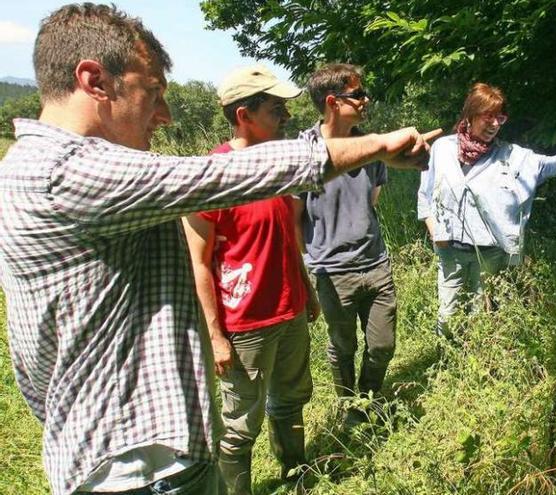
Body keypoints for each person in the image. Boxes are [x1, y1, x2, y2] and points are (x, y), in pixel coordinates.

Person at [0, 4, 437, 494]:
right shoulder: (62, 172)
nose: (163, 115)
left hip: (144, 459)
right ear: (94, 81)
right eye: (154, 94)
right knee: (245, 420)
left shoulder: (41, 169)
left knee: (286, 400)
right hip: (137, 472)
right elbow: (217, 179)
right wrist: (376, 145)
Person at [181, 65, 321, 494]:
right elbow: (199, 263)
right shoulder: (213, 175)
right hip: (245, 327)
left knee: (292, 399)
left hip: (290, 311)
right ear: (244, 115)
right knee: (241, 423)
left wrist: (307, 289)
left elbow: (287, 238)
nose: (285, 117)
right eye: (276, 109)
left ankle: (296, 476)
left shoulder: (276, 167)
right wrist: (216, 336)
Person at [417, 82, 556, 337]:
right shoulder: (442, 149)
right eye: (488, 116)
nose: (495, 124)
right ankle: (446, 362)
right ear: (469, 115)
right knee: (447, 316)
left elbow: (552, 164)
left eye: (500, 117)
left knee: (480, 317)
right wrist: (434, 232)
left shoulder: (511, 156)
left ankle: (476, 366)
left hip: (489, 253)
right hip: (450, 250)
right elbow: (425, 193)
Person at [293, 64, 397, 426]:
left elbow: (372, 199)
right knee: (343, 347)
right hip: (332, 272)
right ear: (333, 102)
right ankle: (351, 407)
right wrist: (308, 270)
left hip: (376, 263)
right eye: (358, 95)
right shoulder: (302, 152)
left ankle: (369, 398)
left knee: (382, 345)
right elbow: (293, 219)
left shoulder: (371, 146)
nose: (366, 101)